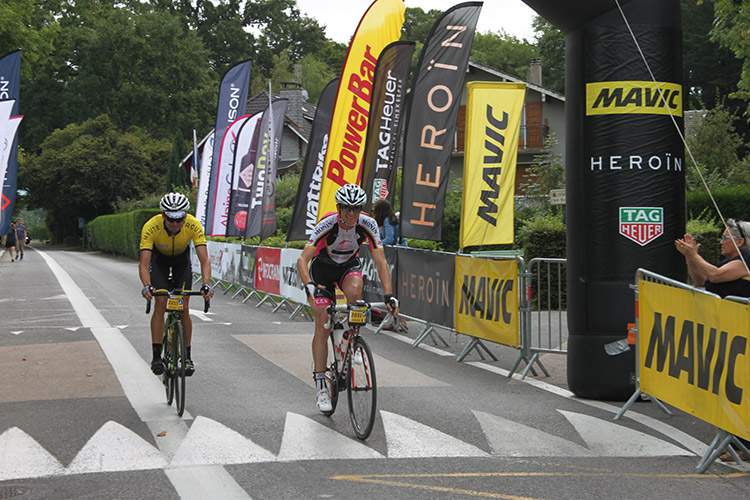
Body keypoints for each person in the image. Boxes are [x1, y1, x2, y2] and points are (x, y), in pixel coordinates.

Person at [297, 183, 400, 412]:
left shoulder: (368, 224)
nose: (352, 213)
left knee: (355, 291)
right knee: (323, 323)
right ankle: (321, 383)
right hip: (322, 270)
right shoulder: (327, 223)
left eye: (356, 208)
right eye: (346, 208)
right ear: (338, 207)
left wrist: (389, 295)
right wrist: (309, 286)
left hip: (347, 267)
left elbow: (381, 261)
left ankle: (353, 341)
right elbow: (302, 260)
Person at [675, 218, 750, 461]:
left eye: (725, 238)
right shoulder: (730, 262)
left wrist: (694, 256)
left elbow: (715, 276)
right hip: (733, 336)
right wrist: (691, 256)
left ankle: (743, 445)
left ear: (740, 241)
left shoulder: (744, 262)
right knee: (733, 388)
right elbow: (701, 280)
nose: (721, 241)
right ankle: (740, 443)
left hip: (743, 335)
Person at [139, 192, 214, 377]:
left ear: (185, 216)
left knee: (184, 308)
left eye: (179, 219)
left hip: (181, 262)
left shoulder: (193, 225)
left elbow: (205, 261)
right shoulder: (151, 226)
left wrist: (206, 284)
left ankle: (187, 357)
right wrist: (147, 285)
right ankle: (157, 356)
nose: (175, 224)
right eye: (171, 220)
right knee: (161, 302)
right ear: (163, 216)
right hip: (159, 262)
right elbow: (143, 263)